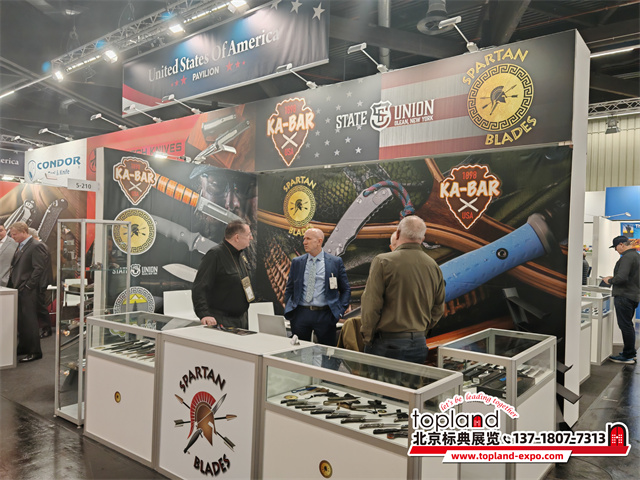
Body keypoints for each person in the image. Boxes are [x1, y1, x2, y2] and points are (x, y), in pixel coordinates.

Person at [361, 215, 445, 364]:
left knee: (381, 380)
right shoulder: (433, 266)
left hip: (387, 344)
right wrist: (420, 330)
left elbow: (371, 305)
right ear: (422, 238)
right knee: (412, 380)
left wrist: (368, 337)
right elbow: (438, 307)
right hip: (418, 344)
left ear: (398, 233)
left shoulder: (383, 261)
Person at [284, 228, 351, 346]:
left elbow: (345, 289)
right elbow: (290, 288)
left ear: (319, 241)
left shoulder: (335, 262)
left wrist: (339, 311)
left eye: (308, 239)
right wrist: (290, 308)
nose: (304, 242)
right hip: (301, 314)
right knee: (298, 351)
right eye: (304, 239)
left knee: (327, 351)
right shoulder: (297, 262)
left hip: (325, 315)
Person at [192, 220, 254, 329]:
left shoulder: (240, 255)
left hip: (241, 320)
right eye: (248, 234)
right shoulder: (215, 255)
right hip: (221, 320)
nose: (251, 238)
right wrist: (204, 314)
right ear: (237, 237)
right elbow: (200, 287)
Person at [7, 222, 48, 363]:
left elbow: (39, 269)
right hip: (19, 288)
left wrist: (29, 286)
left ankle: (35, 351)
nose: (12, 237)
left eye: (14, 234)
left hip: (28, 290)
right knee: (22, 320)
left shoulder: (36, 246)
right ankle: (24, 347)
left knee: (30, 322)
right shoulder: (21, 246)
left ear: (24, 231)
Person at [602, 235, 639, 364]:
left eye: (616, 247)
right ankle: (630, 353)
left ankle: (628, 355)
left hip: (624, 296)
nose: (615, 250)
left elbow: (622, 278)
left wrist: (610, 280)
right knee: (628, 325)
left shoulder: (627, 257)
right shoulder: (636, 256)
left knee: (625, 326)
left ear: (622, 245)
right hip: (632, 295)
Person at [28, 228, 53, 338]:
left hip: (40, 282)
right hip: (39, 281)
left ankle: (47, 329)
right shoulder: (40, 246)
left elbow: (40, 268)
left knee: (41, 306)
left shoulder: (39, 246)